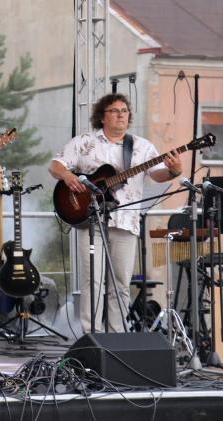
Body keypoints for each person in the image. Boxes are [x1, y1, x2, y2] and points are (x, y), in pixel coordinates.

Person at [49, 93, 183, 333]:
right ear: (102, 116)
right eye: (114, 110)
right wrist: (68, 176)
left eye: (124, 110)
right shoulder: (85, 142)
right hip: (90, 220)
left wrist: (173, 172)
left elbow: (156, 174)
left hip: (126, 221)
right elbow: (55, 165)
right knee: (93, 280)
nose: (121, 114)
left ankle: (117, 334)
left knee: (120, 283)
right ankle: (92, 334)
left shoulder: (142, 146)